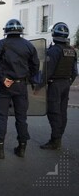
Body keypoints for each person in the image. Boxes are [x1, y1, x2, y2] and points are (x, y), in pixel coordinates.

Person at [0, 19, 40, 159]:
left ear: (6, 31)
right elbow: (35, 65)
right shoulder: (28, 45)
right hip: (21, 85)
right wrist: (29, 79)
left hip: (5, 86)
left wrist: (3, 78)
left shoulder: (1, 44)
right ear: (20, 31)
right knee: (21, 118)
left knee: (1, 117)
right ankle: (22, 148)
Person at [40, 22, 78, 150]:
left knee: (54, 112)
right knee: (62, 112)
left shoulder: (53, 50)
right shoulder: (72, 51)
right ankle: (58, 137)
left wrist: (39, 85)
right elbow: (75, 72)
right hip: (66, 84)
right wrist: (68, 82)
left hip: (55, 85)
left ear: (54, 34)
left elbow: (48, 72)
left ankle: (55, 140)